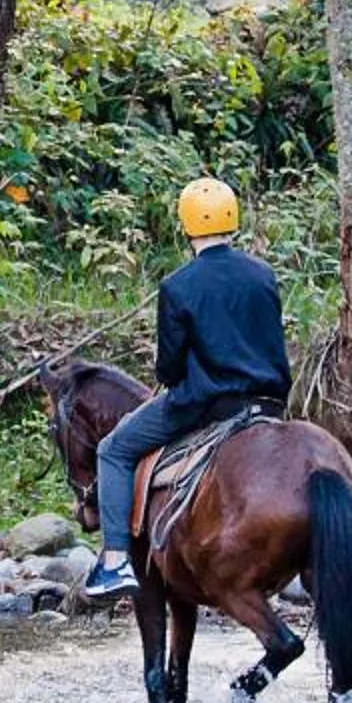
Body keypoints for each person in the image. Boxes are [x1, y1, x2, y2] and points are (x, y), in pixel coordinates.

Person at [82, 177, 293, 602]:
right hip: (269, 405)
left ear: (186, 226)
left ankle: (116, 559)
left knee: (113, 450)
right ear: (234, 220)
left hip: (206, 406)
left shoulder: (178, 286)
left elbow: (171, 368)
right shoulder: (262, 275)